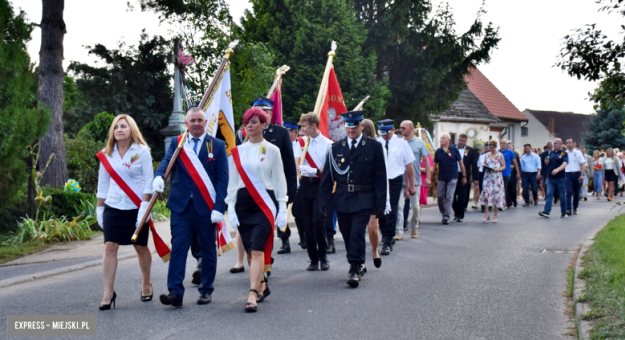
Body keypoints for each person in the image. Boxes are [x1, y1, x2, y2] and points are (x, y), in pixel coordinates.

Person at [154, 107, 229, 307]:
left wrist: (219, 207)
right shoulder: (178, 143)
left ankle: (206, 290)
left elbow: (223, 179)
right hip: (181, 207)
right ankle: (175, 292)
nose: (196, 123)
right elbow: (166, 161)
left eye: (200, 120)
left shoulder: (218, 145)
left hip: (206, 208)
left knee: (207, 249)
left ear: (206, 123)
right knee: (178, 248)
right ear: (186, 123)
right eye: (192, 120)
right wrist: (158, 177)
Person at [226, 107, 288, 312]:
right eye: (247, 122)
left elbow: (279, 181)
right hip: (244, 204)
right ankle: (261, 284)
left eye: (254, 122)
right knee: (251, 253)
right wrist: (231, 208)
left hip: (265, 204)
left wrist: (282, 208)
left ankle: (252, 292)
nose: (249, 125)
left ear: (264, 124)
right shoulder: (237, 152)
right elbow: (232, 183)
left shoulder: (272, 150)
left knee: (258, 249)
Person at [319, 111, 387, 287]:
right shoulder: (335, 148)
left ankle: (355, 267)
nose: (351, 130)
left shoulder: (373, 147)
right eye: (348, 126)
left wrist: (380, 202)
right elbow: (328, 178)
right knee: (347, 233)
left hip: (364, 197)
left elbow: (380, 177)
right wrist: (324, 202)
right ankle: (357, 262)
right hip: (342, 198)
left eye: (355, 126)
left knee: (357, 232)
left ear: (361, 126)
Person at [231, 96, 296, 272]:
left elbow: (288, 165)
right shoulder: (242, 133)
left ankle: (263, 267)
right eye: (258, 110)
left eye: (266, 111)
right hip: (245, 193)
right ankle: (248, 264)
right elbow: (236, 165)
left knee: (263, 233)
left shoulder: (281, 133)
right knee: (245, 232)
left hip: (269, 191)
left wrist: (290, 192)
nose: (262, 113)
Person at [96, 114, 155, 310]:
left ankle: (146, 283)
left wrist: (144, 207)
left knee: (140, 247)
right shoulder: (107, 154)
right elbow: (103, 183)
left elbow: (149, 181)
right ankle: (108, 292)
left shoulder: (142, 151)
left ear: (132, 130)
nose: (119, 130)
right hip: (113, 206)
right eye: (116, 127)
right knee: (109, 247)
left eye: (123, 126)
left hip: (137, 207)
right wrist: (99, 207)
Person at [296, 113, 333, 271]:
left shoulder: (328, 144)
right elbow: (297, 163)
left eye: (304, 126)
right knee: (308, 223)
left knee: (318, 220)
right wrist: (298, 177)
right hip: (305, 185)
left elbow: (330, 169)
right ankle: (313, 259)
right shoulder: (301, 142)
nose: (301, 129)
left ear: (313, 125)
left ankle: (323, 254)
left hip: (320, 185)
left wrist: (315, 170)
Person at [376, 119, 415, 254]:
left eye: (386, 133)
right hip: (380, 180)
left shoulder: (401, 143)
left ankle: (387, 240)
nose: (384, 136)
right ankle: (385, 233)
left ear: (392, 130)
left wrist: (412, 185)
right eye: (382, 134)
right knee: (380, 209)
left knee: (391, 209)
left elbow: (409, 165)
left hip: (394, 180)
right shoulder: (376, 142)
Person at [397, 121, 431, 238]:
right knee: (399, 207)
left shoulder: (419, 142)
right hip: (399, 180)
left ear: (411, 129)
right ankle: (399, 231)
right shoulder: (398, 142)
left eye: (403, 128)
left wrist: (428, 177)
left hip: (414, 180)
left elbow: (426, 160)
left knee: (415, 207)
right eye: (400, 128)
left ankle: (414, 227)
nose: (401, 129)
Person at [361, 119, 384, 267]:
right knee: (357, 230)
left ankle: (375, 250)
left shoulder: (378, 147)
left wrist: (383, 199)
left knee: (372, 228)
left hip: (374, 192)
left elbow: (383, 174)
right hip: (359, 193)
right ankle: (359, 261)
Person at [433, 133, 467, 224]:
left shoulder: (454, 150)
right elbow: (435, 166)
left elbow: (461, 163)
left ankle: (446, 217)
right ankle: (444, 212)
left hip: (453, 176)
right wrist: (432, 177)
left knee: (449, 196)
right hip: (441, 177)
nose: (441, 139)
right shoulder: (438, 151)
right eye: (441, 138)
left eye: (443, 138)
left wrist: (464, 176)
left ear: (448, 139)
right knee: (439, 196)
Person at [284, 120, 306, 251]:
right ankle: (284, 242)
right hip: (284, 183)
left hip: (297, 184)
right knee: (283, 213)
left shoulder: (300, 144)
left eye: (287, 132)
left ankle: (303, 237)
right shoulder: (280, 146)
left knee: (299, 213)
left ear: (293, 132)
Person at [538, 138, 568, 218]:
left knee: (561, 195)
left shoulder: (563, 153)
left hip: (560, 178)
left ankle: (563, 212)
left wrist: (557, 170)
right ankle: (546, 212)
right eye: (554, 143)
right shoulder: (551, 153)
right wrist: (546, 162)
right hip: (550, 178)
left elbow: (564, 163)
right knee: (549, 194)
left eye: (556, 143)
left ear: (561, 144)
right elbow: (550, 164)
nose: (554, 145)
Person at [478, 140, 506, 222]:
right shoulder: (486, 155)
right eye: (490, 148)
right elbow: (485, 163)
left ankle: (495, 215)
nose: (491, 150)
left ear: (495, 147)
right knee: (486, 193)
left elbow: (503, 166)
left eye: (492, 148)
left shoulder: (499, 155)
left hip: (496, 177)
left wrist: (497, 169)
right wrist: (484, 165)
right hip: (488, 177)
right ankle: (486, 214)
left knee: (496, 195)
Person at [452, 133, 478, 222]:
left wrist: (475, 178)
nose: (461, 142)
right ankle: (455, 211)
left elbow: (474, 165)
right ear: (457, 140)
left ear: (466, 141)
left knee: (462, 196)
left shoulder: (471, 150)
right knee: (452, 195)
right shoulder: (451, 148)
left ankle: (460, 215)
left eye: (463, 141)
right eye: (460, 140)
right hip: (453, 174)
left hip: (464, 175)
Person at [564, 139, 586, 215]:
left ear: (573, 143)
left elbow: (583, 164)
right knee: (568, 191)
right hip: (567, 174)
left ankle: (575, 207)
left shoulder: (578, 152)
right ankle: (568, 208)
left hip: (577, 174)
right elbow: (559, 162)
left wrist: (582, 174)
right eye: (567, 143)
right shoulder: (564, 153)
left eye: (570, 142)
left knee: (576, 192)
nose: (568, 144)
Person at [499, 139, 521, 209]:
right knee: (500, 189)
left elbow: (515, 163)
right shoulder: (497, 152)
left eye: (504, 143)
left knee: (505, 188)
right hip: (498, 173)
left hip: (507, 173)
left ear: (506, 144)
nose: (502, 144)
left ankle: (505, 203)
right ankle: (501, 202)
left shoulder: (510, 152)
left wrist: (518, 172)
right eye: (501, 143)